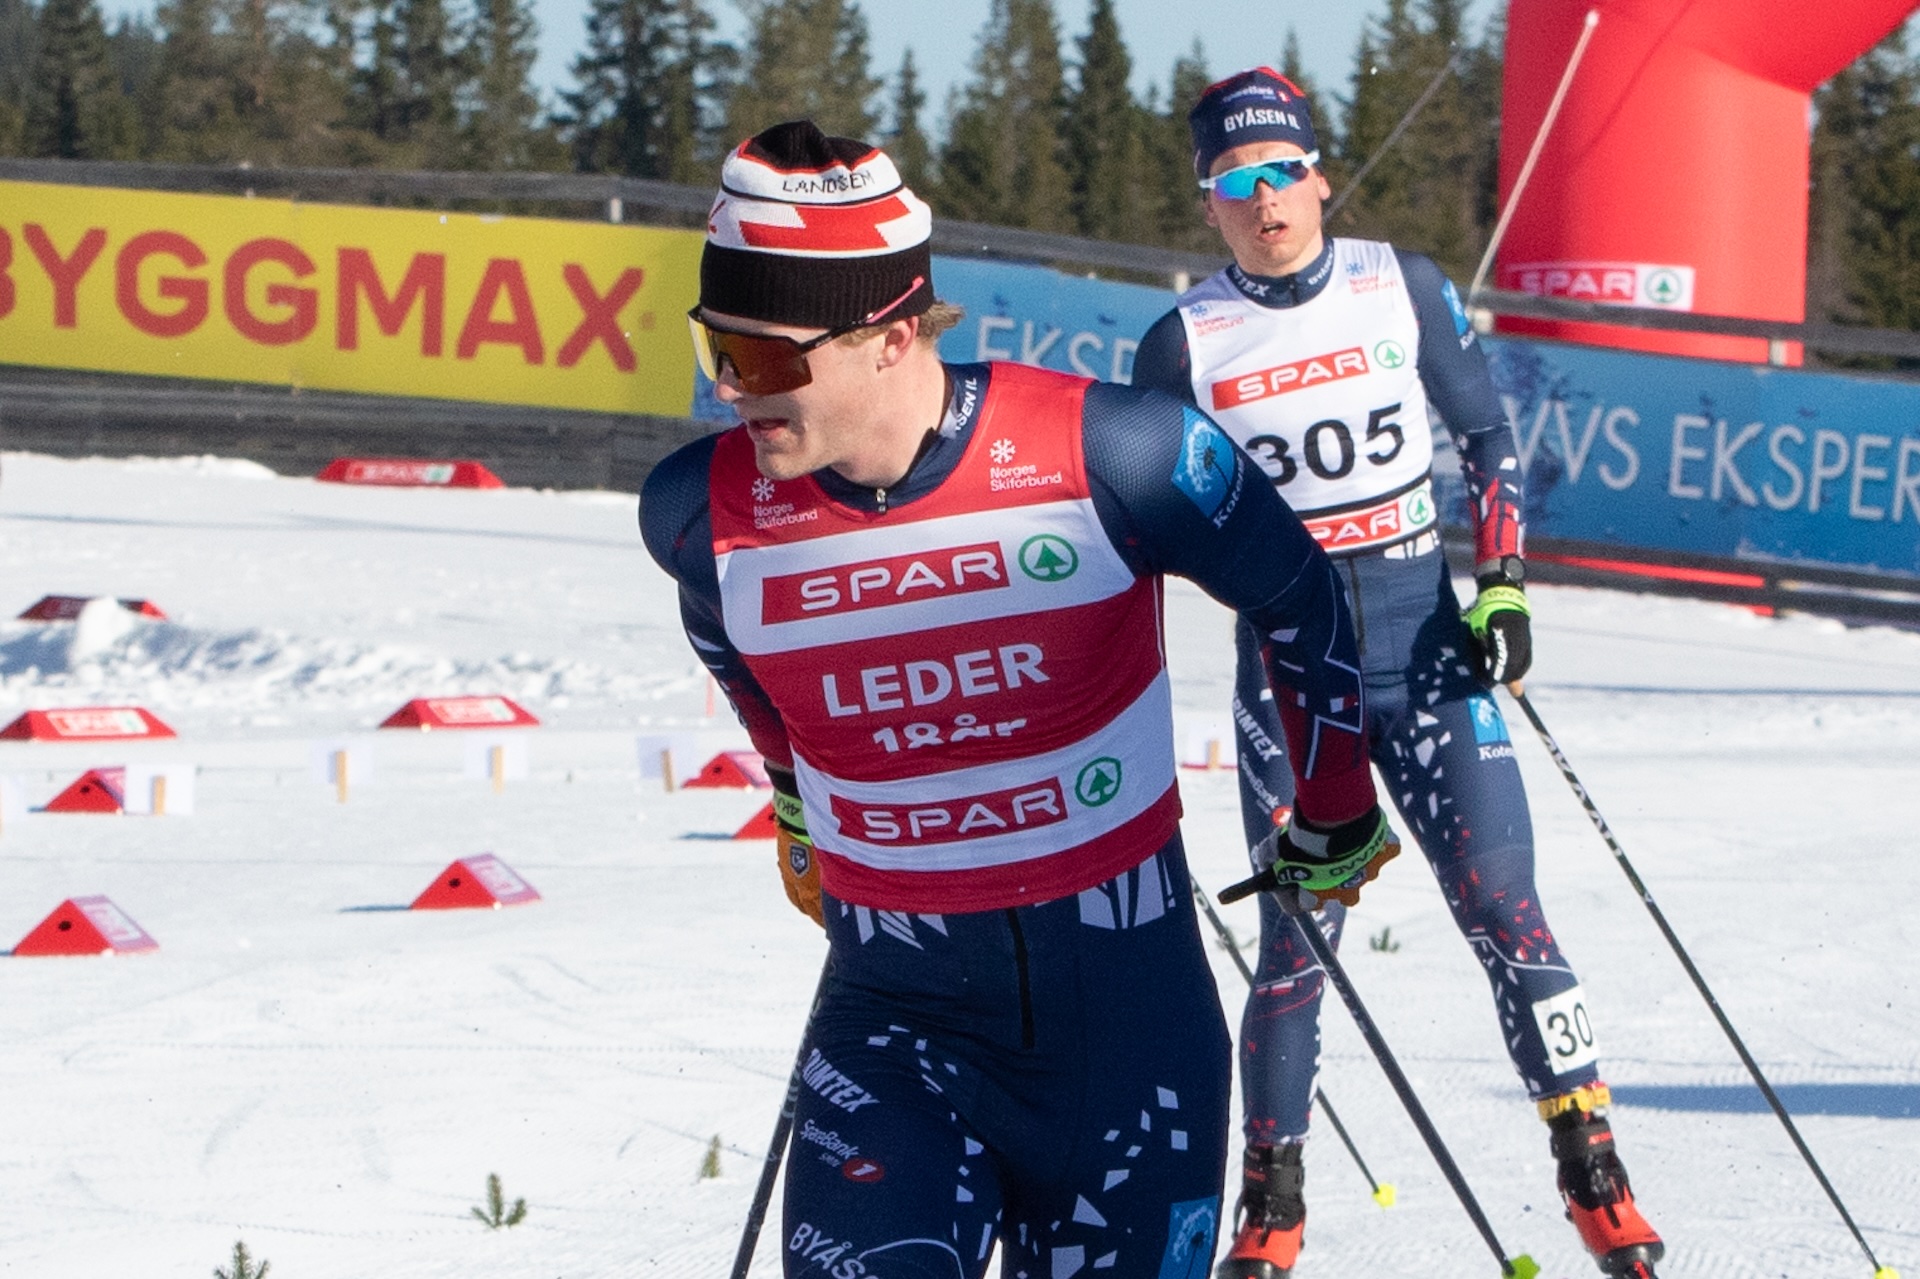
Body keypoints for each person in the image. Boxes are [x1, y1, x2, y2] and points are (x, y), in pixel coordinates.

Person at [641, 119, 1400, 1279]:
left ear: (891, 331)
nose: (731, 388)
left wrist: (1335, 804)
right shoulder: (700, 514)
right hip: (893, 1026)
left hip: (1126, 1031)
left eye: (766, 357)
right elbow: (732, 648)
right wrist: (799, 805)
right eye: (718, 349)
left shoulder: (1114, 455)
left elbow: (1298, 592)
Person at [1131, 69, 1665, 1279]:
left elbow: (1486, 437)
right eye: (1233, 182)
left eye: (1280, 173)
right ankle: (1270, 1211)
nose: (1263, 201)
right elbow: (1135, 520)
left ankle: (1597, 1174)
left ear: (1317, 174)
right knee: (1296, 947)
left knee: (1508, 908)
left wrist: (1509, 582)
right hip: (1287, 677)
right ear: (1208, 204)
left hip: (1425, 649)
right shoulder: (1184, 343)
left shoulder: (1398, 285)